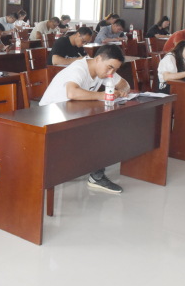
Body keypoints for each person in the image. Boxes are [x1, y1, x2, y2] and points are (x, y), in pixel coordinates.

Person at [39, 44, 131, 193]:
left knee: (109, 124)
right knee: (101, 130)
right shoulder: (79, 68)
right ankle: (96, 176)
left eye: (115, 69)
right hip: (49, 117)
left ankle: (94, 172)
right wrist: (103, 95)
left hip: (71, 114)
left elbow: (124, 84)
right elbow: (72, 93)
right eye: (109, 67)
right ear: (98, 59)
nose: (111, 73)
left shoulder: (105, 71)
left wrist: (122, 91)